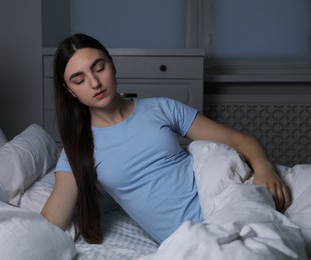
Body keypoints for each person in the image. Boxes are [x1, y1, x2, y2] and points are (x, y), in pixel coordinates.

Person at [40, 33, 291, 245]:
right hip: (191, 237)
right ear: (69, 91)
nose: (94, 83)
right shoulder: (78, 149)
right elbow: (50, 222)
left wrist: (264, 167)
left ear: (112, 65)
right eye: (79, 79)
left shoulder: (161, 108)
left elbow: (239, 141)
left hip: (228, 196)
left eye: (99, 67)